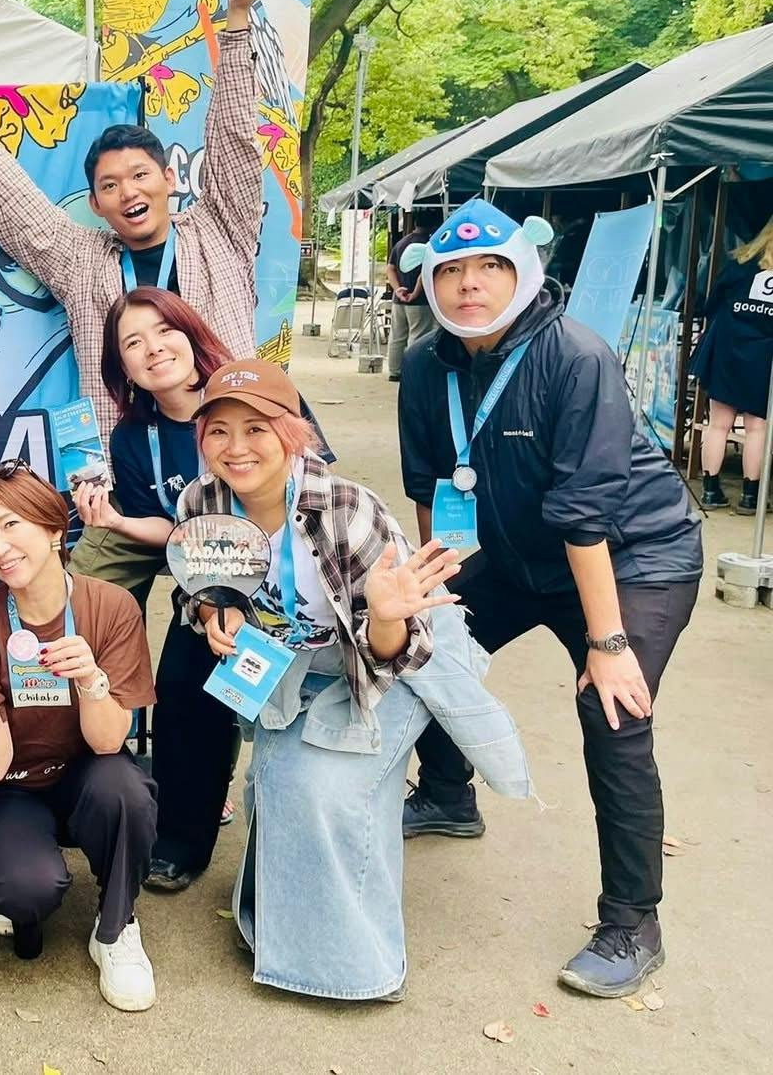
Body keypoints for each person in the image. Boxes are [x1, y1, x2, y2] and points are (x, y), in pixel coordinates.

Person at [396, 200, 702, 998]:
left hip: (633, 557)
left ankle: (633, 921)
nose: (469, 285)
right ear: (429, 281)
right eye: (451, 271)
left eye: (490, 267)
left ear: (526, 271)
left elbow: (584, 515)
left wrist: (609, 645)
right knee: (426, 647)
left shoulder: (575, 356)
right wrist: (432, 594)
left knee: (613, 709)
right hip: (517, 556)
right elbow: (430, 487)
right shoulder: (426, 367)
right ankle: (447, 794)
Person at [0, 0, 269, 599]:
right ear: (98, 203)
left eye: (140, 175)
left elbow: (235, 148)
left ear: (169, 179)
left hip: (235, 477)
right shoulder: (85, 260)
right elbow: (21, 212)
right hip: (127, 485)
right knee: (78, 609)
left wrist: (239, 21)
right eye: (109, 185)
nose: (128, 191)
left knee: (226, 630)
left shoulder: (221, 228)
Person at [180, 359, 526, 1002]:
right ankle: (279, 929)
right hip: (288, 666)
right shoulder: (201, 503)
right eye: (219, 430)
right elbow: (199, 586)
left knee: (328, 789)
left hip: (390, 665)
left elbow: (400, 649)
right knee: (272, 784)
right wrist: (213, 612)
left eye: (256, 429)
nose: (236, 447)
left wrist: (387, 616)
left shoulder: (347, 510)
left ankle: (358, 967)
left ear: (292, 433)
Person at [0, 462, 157, 1010]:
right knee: (24, 890)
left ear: (53, 529)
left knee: (126, 791)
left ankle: (117, 928)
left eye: (11, 525)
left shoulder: (111, 607)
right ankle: (12, 891)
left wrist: (92, 680)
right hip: (6, 787)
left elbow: (107, 743)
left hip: (85, 773)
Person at [73, 286, 236, 893]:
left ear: (192, 333)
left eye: (165, 331)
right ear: (122, 366)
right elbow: (169, 528)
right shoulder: (132, 436)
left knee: (218, 685)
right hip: (200, 563)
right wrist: (115, 522)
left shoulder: (244, 395)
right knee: (180, 687)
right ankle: (177, 838)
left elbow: (310, 485)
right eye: (133, 343)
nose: (154, 349)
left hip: (277, 559)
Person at [691, 214, 773, 512]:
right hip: (764, 355)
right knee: (757, 428)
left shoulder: (740, 262)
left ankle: (711, 491)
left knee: (718, 424)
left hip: (727, 348)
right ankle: (751, 496)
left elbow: (710, 303)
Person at [385, 210, 438, 380]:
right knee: (418, 336)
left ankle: (394, 371)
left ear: (415, 223)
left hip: (398, 300)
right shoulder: (430, 244)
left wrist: (397, 289)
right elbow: (424, 273)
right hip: (420, 301)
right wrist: (415, 293)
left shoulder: (401, 243)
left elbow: (390, 268)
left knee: (397, 336)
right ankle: (412, 371)